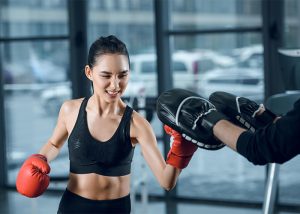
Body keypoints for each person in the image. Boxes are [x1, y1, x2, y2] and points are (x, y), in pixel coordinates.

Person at [16, 35, 197, 214]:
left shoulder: (137, 124)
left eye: (122, 75)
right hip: (72, 207)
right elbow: (54, 144)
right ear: (89, 72)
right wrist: (40, 157)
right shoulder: (70, 110)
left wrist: (180, 150)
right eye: (106, 75)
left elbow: (166, 181)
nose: (115, 84)